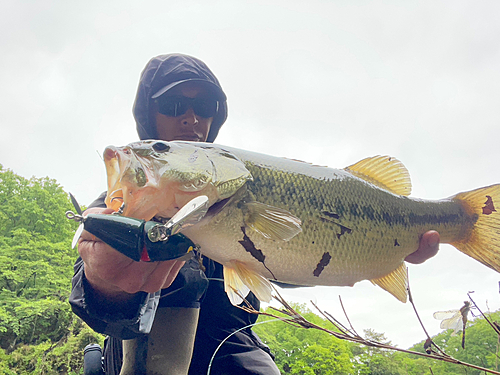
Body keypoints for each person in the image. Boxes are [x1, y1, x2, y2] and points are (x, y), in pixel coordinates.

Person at [69, 53, 440, 375]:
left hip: (233, 348)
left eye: (205, 107)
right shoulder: (123, 201)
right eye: (173, 106)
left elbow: (292, 260)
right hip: (145, 354)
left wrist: (379, 250)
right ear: (148, 114)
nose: (191, 119)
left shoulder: (239, 183)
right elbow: (93, 302)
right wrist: (107, 284)